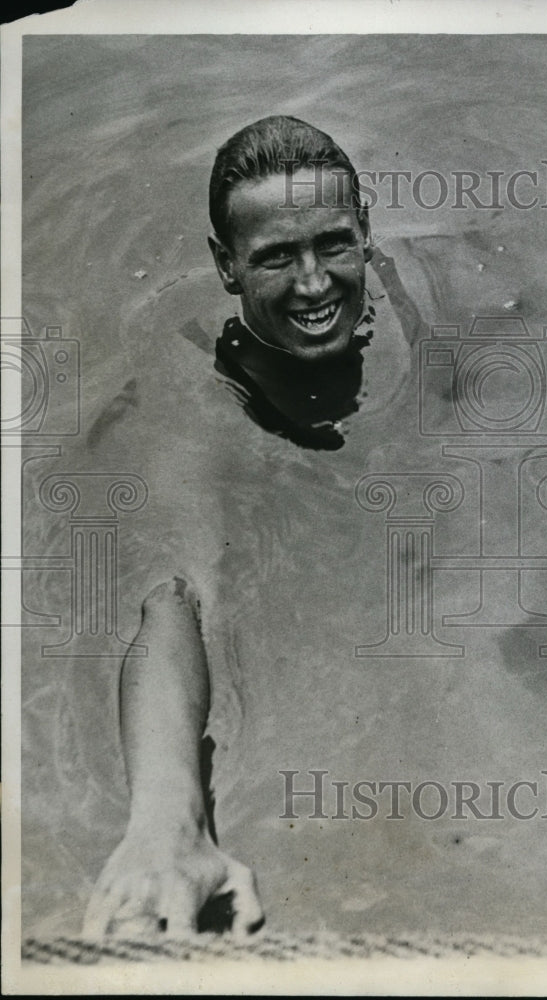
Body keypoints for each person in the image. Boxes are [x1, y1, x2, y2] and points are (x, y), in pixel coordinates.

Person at [82, 116, 398, 938]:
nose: (313, 284)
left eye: (333, 244)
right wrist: (164, 823)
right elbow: (171, 594)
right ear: (226, 265)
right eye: (272, 258)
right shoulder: (194, 401)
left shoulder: (423, 310)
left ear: (366, 233)